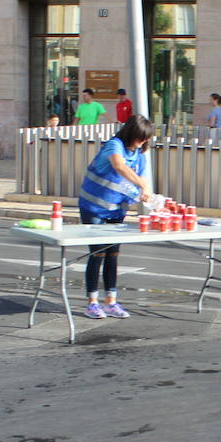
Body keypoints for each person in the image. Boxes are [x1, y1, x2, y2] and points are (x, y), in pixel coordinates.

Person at [77, 115, 154, 319]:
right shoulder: (114, 145)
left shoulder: (139, 155)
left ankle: (111, 300)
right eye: (141, 138)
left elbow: (139, 182)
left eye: (146, 139)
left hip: (117, 210)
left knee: (113, 255)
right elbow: (119, 166)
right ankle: (92, 302)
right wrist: (142, 184)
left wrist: (147, 195)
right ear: (131, 134)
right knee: (97, 254)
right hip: (93, 208)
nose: (143, 142)